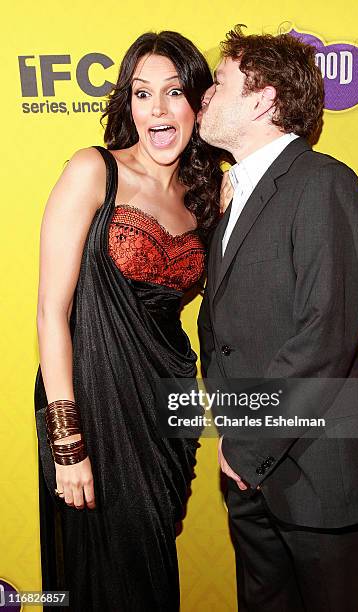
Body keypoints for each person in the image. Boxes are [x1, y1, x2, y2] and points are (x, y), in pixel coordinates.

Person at [197, 26, 358, 611]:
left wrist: (246, 444)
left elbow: (324, 336)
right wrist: (236, 438)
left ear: (262, 99)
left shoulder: (324, 183)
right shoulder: (235, 192)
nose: (204, 96)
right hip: (250, 466)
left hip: (319, 471)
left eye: (220, 82)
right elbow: (224, 334)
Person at [34, 31, 223, 611]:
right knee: (103, 570)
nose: (158, 110)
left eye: (172, 93)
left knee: (149, 565)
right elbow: (50, 313)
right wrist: (68, 441)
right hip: (89, 402)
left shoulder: (209, 194)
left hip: (164, 401)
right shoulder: (94, 171)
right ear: (128, 105)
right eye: (142, 94)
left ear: (198, 102)